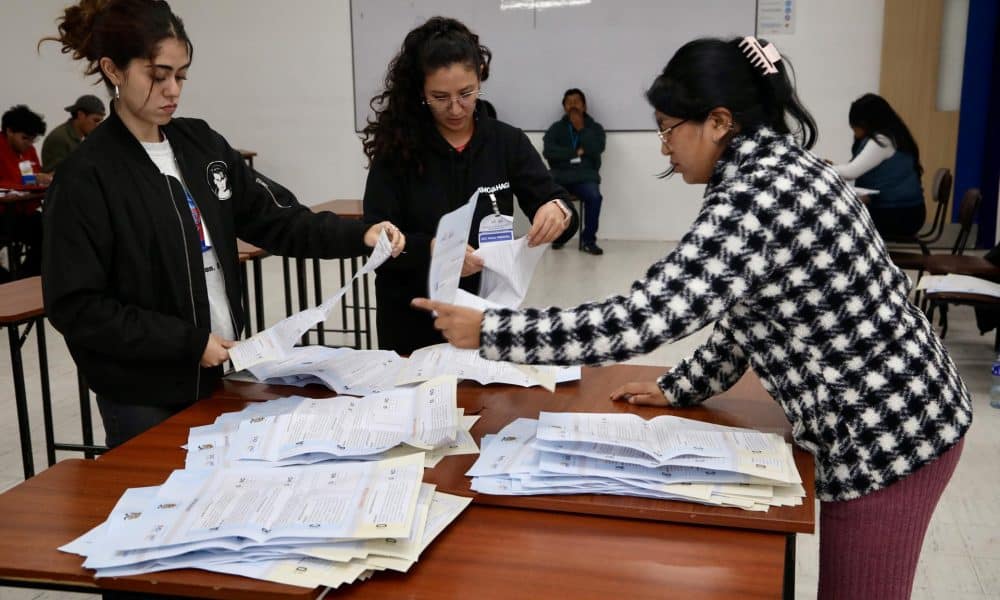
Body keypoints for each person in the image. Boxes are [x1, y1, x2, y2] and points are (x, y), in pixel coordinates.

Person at [414, 36, 970, 600]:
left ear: (718, 122)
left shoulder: (758, 194)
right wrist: (684, 385)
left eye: (668, 128)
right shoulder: (768, 169)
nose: (663, 148)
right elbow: (747, 310)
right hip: (887, 414)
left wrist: (492, 330)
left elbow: (642, 317)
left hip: (890, 432)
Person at [40, 0, 405, 448]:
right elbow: (77, 306)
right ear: (113, 70)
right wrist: (188, 343)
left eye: (181, 75)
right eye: (158, 76)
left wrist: (358, 232)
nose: (172, 90)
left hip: (221, 372)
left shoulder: (200, 145)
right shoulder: (87, 176)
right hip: (144, 395)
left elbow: (275, 219)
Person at [362, 16, 578, 355]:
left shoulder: (505, 142)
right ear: (421, 91)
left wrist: (558, 211)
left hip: (484, 317)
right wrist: (434, 251)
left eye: (466, 93)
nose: (455, 108)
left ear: (480, 76)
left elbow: (554, 200)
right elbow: (375, 236)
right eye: (439, 97)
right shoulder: (398, 150)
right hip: (412, 318)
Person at [832, 93, 925, 238]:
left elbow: (851, 172)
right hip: (907, 211)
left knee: (836, 219)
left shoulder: (882, 140)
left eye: (855, 127)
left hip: (900, 215)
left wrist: (819, 167)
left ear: (867, 123)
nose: (855, 134)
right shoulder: (894, 136)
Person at [543, 88, 606, 254]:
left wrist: (581, 129)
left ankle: (588, 240)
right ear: (564, 107)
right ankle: (559, 236)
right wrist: (574, 153)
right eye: (569, 102)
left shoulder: (595, 128)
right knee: (544, 190)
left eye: (576, 102)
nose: (573, 105)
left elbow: (597, 148)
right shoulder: (556, 128)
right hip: (560, 176)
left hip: (585, 177)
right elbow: (548, 152)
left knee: (594, 196)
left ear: (584, 106)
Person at [0, 105, 49, 277]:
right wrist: (26, 184)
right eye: (25, 138)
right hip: (2, 215)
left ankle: (26, 276)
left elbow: (31, 178)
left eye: (32, 140)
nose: (28, 144)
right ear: (9, 131)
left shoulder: (29, 151)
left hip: (22, 212)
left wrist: (41, 178)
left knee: (52, 230)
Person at [41, 93, 106, 173]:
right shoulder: (60, 138)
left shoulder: (84, 138)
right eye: (95, 121)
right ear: (81, 115)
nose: (98, 126)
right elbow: (56, 176)